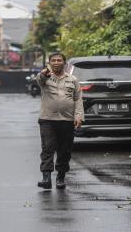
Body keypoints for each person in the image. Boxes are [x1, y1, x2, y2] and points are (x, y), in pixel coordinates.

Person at [36, 52, 84, 189]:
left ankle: (61, 177)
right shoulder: (44, 77)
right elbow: (39, 80)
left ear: (64, 63)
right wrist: (44, 73)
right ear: (49, 63)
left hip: (67, 120)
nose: (56, 62)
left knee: (65, 150)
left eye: (59, 60)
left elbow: (78, 99)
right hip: (47, 119)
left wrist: (78, 116)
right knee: (47, 148)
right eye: (53, 60)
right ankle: (46, 178)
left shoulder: (73, 79)